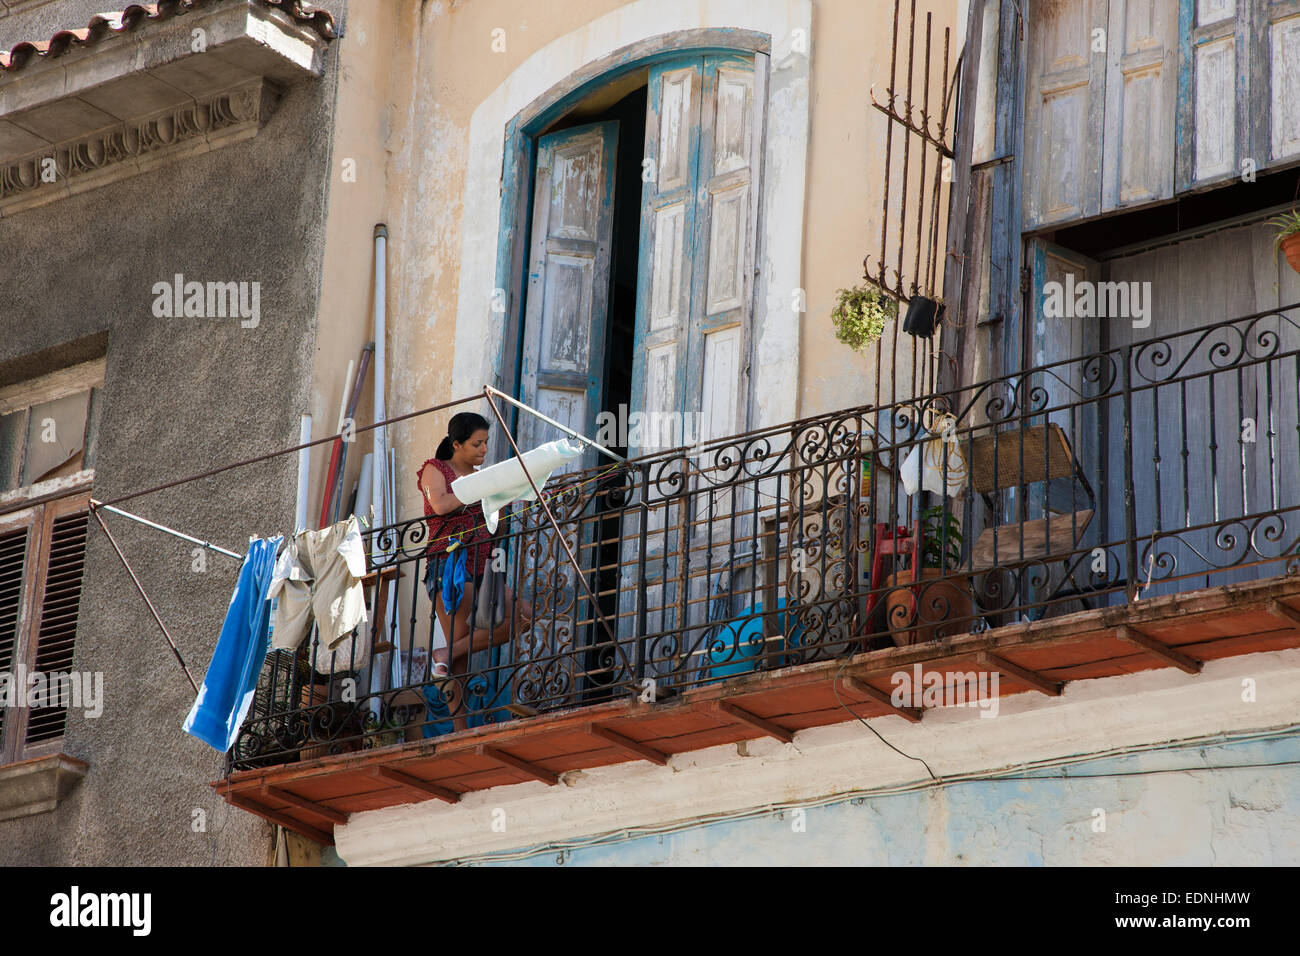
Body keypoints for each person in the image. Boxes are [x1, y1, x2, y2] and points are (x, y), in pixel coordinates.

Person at [416, 412, 531, 726]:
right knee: (461, 661)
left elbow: (498, 527)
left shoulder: (484, 478)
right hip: (450, 565)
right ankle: (460, 730)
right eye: (476, 444)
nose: (483, 450)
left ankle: (442, 655)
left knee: (522, 614)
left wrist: (506, 500)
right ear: (457, 444)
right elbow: (439, 505)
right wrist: (482, 491)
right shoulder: (435, 469)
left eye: (485, 443)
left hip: (485, 566)